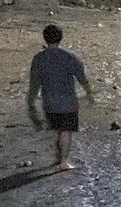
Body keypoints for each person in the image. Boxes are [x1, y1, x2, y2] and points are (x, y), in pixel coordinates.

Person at [27, 24, 94, 171]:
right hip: (68, 103)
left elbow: (34, 84)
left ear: (45, 38)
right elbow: (82, 78)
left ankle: (59, 155)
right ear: (61, 38)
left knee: (58, 129)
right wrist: (89, 93)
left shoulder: (38, 59)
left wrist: (31, 101)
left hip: (49, 103)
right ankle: (63, 161)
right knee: (66, 131)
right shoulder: (70, 57)